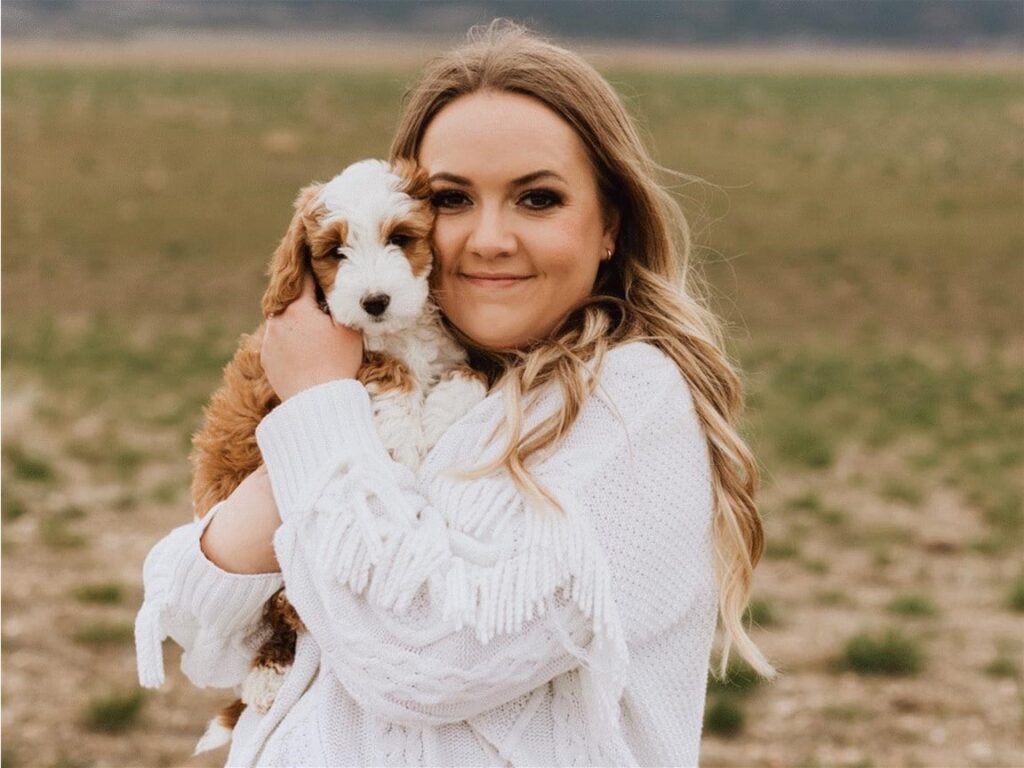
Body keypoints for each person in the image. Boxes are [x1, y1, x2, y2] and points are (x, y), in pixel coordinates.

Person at [135, 20, 774, 767]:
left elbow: (424, 664)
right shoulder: (400, 388)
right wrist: (316, 432)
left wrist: (315, 411)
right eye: (452, 200)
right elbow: (200, 621)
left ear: (609, 228)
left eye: (537, 200)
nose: (488, 239)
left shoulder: (629, 402)